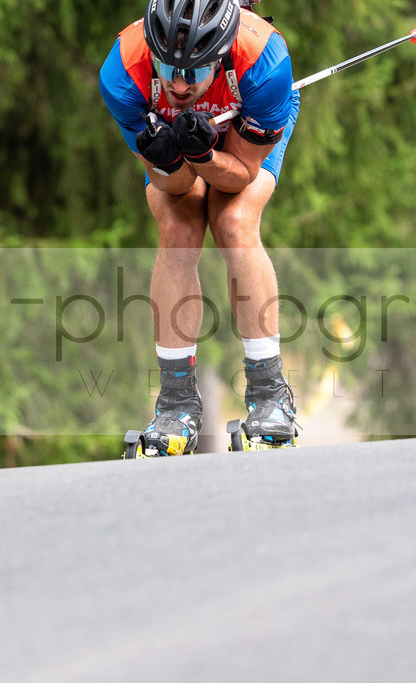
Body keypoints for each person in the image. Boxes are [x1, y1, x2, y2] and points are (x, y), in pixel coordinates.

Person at [99, 0, 301, 455]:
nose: (178, 83)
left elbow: (240, 174)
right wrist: (173, 157)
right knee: (178, 229)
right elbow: (173, 184)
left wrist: (207, 155)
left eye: (194, 71)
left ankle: (270, 397)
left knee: (233, 221)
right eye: (168, 65)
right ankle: (175, 405)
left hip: (244, 113)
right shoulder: (123, 73)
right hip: (176, 137)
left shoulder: (265, 64)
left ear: (223, 53)